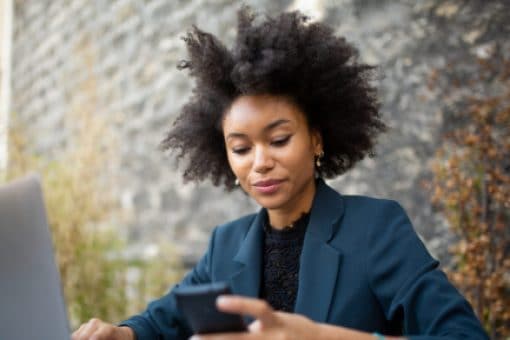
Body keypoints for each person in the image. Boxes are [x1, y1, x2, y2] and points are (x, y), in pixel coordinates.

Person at [72, 7, 489, 340]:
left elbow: (463, 335)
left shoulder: (375, 229)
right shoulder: (226, 244)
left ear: (317, 140)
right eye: (240, 148)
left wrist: (319, 337)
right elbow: (164, 321)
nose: (259, 162)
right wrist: (123, 334)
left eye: (279, 139)